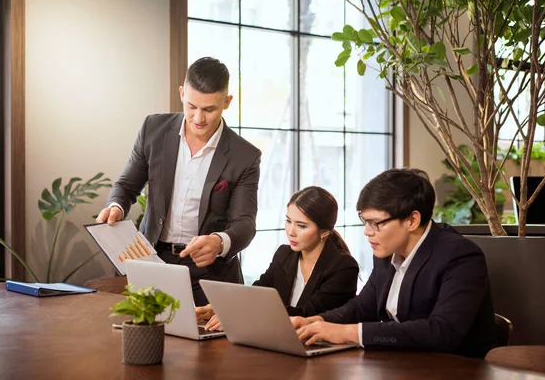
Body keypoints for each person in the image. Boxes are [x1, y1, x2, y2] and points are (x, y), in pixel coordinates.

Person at [96, 57, 261, 306]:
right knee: (143, 340)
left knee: (207, 345)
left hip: (209, 272)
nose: (198, 118)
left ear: (227, 102)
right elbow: (127, 186)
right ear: (182, 93)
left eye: (209, 109)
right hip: (152, 260)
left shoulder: (244, 155)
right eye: (192, 106)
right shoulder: (153, 129)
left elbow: (245, 223)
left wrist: (219, 242)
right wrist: (116, 206)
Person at [292, 168, 497, 358]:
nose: (367, 231)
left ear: (412, 220)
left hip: (455, 369)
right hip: (402, 364)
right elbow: (362, 306)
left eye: (376, 223)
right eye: (365, 221)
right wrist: (316, 321)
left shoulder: (460, 256)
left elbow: (442, 331)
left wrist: (349, 332)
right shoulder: (385, 253)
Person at [197, 186, 359, 330]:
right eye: (288, 221)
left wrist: (240, 313)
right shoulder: (284, 254)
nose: (291, 231)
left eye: (301, 226)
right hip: (279, 337)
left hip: (320, 347)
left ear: (324, 231)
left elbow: (306, 314)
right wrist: (224, 307)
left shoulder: (343, 267)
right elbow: (259, 291)